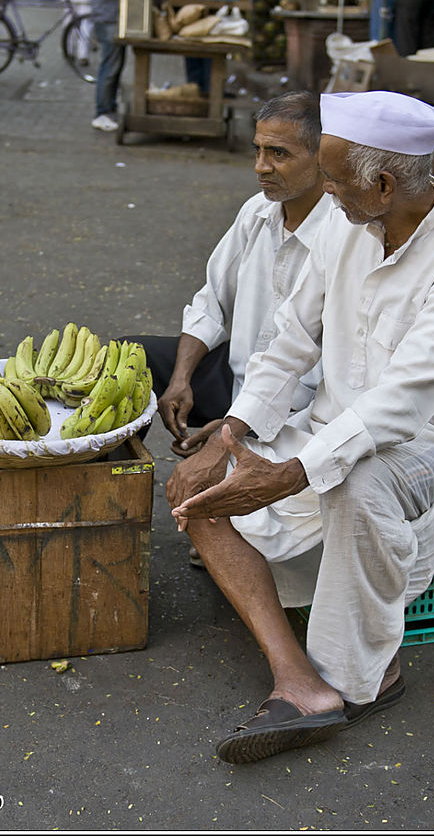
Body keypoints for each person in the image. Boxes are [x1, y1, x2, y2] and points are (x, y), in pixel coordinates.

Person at [167, 90, 434, 764]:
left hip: (431, 452)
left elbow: (402, 405)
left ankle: (361, 678)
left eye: (336, 180)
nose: (326, 193)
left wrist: (289, 472)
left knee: (357, 482)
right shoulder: (349, 226)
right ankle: (296, 676)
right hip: (328, 432)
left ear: (384, 185)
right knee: (194, 490)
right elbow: (291, 340)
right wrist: (232, 434)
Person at [133, 92, 331, 570]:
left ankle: (218, 514)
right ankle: (121, 502)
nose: (262, 166)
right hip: (239, 377)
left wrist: (230, 430)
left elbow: (305, 376)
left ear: (323, 158)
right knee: (128, 358)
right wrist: (181, 379)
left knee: (242, 487)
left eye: (279, 154)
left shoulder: (341, 235)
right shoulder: (257, 214)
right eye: (258, 151)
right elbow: (211, 303)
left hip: (296, 406)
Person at [170, 0, 235, 95]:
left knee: (212, 63)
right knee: (192, 61)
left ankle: (211, 96)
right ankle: (195, 98)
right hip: (189, 18)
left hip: (214, 18)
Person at [91, 0, 129, 132]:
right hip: (108, 14)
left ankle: (110, 109)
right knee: (110, 64)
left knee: (117, 64)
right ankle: (102, 112)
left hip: (116, 13)